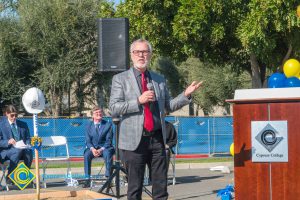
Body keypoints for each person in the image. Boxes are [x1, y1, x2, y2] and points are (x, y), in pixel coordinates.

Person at [109, 39, 202, 200]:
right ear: (131, 55)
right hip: (133, 142)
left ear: (150, 55)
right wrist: (139, 100)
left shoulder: (159, 79)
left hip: (157, 139)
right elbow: (114, 108)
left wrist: (185, 95)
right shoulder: (120, 79)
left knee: (160, 187)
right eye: (137, 52)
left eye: (145, 52)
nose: (141, 55)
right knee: (134, 188)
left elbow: (168, 106)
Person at [0, 105, 33, 183]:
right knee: (17, 151)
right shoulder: (1, 125)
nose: (14, 117)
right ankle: (9, 176)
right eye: (12, 115)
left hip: (21, 149)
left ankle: (24, 176)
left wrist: (27, 145)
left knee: (28, 152)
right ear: (6, 114)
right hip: (6, 151)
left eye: (16, 115)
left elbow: (28, 138)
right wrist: (8, 141)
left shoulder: (23, 124)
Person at [83, 106, 114, 187]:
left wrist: (101, 149)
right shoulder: (88, 126)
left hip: (104, 148)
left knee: (108, 153)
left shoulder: (108, 125)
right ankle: (87, 179)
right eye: (96, 113)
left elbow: (109, 140)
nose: (99, 114)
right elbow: (88, 141)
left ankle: (108, 178)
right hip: (92, 148)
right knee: (86, 155)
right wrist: (93, 149)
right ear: (92, 115)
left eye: (100, 112)